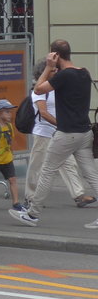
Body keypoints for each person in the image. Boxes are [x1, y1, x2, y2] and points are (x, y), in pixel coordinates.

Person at [13, 39, 98, 226]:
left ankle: (32, 214)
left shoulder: (63, 76)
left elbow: (38, 88)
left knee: (46, 171)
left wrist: (48, 67)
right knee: (91, 174)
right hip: (85, 132)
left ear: (56, 55)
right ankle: (33, 212)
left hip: (66, 134)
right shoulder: (84, 72)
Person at [25, 57, 95, 208]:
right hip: (44, 133)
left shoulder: (55, 86)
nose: (56, 72)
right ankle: (30, 197)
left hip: (61, 133)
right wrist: (63, 124)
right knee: (37, 166)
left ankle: (79, 195)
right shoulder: (39, 90)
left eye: (57, 69)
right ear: (45, 72)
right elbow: (43, 113)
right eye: (53, 70)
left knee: (69, 164)